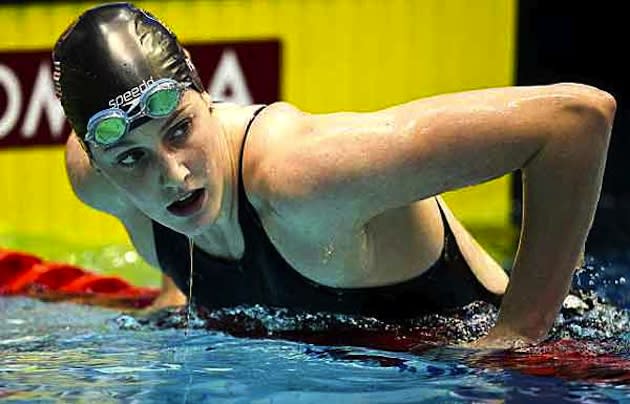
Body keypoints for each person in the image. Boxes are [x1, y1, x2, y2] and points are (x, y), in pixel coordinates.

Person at [56, 3, 616, 349]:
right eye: (132, 158)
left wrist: (516, 340)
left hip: (544, 355)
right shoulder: (96, 179)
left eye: (180, 130)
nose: (173, 175)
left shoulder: (300, 176)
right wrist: (176, 287)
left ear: (205, 96)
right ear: (98, 159)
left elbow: (575, 120)